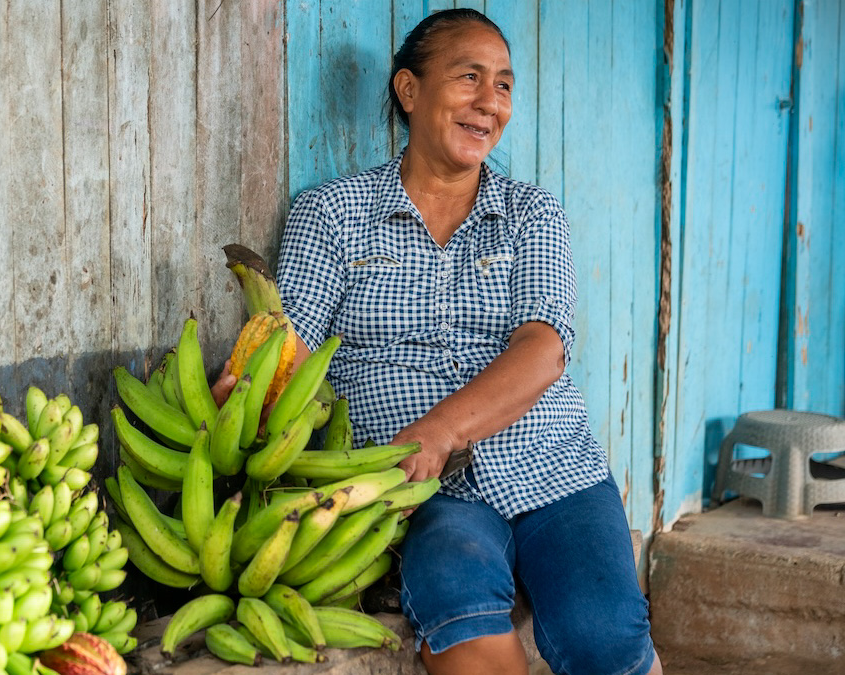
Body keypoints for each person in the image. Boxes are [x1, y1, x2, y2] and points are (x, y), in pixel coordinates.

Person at [215, 8, 661, 675]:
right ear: (409, 90)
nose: (490, 102)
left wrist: (440, 429)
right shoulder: (332, 213)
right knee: (458, 608)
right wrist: (252, 396)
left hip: (552, 464)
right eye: (469, 77)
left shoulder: (531, 214)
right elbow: (295, 346)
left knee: (605, 636)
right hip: (423, 491)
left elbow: (543, 347)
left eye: (503, 85)